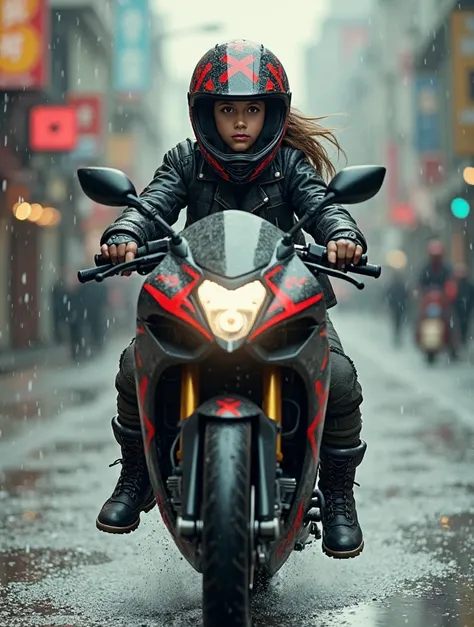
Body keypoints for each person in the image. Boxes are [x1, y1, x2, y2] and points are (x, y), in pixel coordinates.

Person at [96, 40, 369, 560]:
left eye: (251, 109)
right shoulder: (184, 160)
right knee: (135, 364)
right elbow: (151, 203)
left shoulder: (290, 164)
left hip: (284, 299)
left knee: (339, 377)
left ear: (271, 113)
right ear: (206, 114)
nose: (240, 122)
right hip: (197, 297)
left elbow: (324, 205)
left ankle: (336, 497)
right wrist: (125, 231)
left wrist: (343, 236)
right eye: (227, 110)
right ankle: (136, 477)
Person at [452, 262, 474, 349]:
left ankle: (462, 343)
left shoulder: (469, 286)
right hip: (455, 311)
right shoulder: (453, 285)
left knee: (464, 327)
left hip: (466, 311)